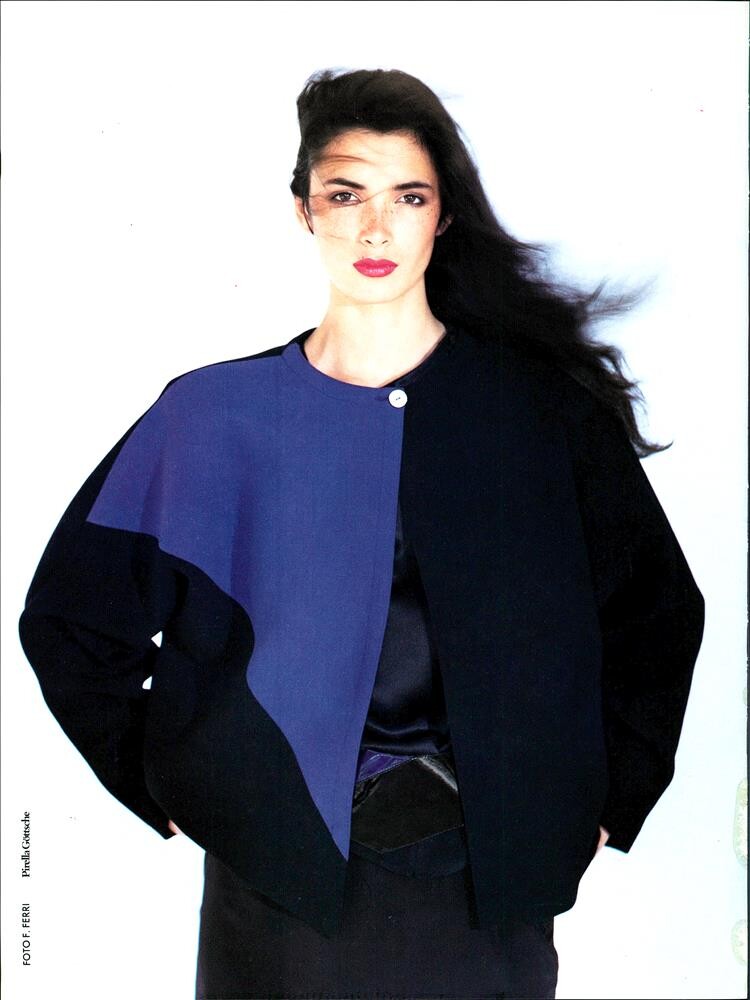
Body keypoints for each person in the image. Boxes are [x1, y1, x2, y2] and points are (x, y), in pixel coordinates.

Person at [18, 67, 705, 1000]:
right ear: (304, 209)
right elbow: (70, 621)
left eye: (407, 197)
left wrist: (608, 802)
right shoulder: (212, 418)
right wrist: (170, 786)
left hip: (488, 883)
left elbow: (656, 614)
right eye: (346, 195)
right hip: (277, 888)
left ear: (442, 217)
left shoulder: (539, 415)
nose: (376, 228)